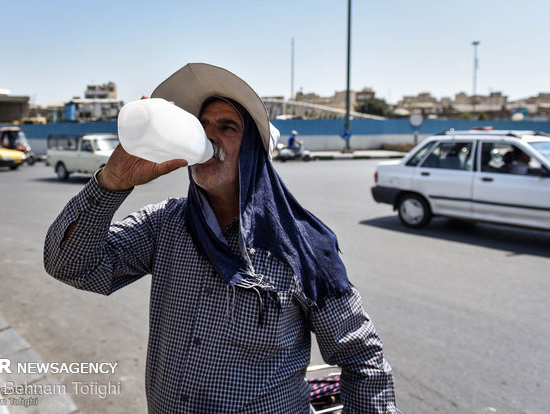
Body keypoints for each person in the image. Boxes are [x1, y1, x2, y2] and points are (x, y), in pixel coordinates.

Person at [44, 63, 399, 413]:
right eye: (201, 126)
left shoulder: (303, 244)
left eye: (227, 127)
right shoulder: (166, 224)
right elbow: (70, 266)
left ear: (253, 151)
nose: (208, 136)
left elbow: (362, 359)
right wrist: (111, 182)